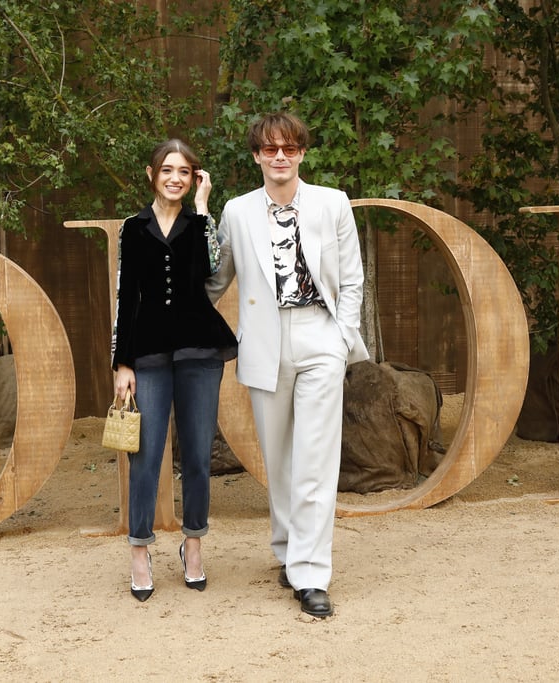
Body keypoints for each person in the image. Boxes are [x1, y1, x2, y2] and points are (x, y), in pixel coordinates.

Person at [206, 112, 368, 617]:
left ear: (302, 153)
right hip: (263, 339)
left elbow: (352, 278)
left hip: (320, 334)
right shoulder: (235, 211)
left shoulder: (332, 203)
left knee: (316, 459)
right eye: (271, 149)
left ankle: (311, 573)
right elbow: (215, 282)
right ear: (256, 155)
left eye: (290, 148)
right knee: (277, 459)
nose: (281, 157)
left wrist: (341, 339)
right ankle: (287, 549)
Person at [112, 139, 237, 602]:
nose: (175, 178)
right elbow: (127, 297)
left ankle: (194, 545)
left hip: (199, 350)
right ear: (152, 174)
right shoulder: (133, 227)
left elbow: (207, 268)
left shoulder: (197, 223)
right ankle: (140, 551)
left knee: (199, 456)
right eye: (168, 170)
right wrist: (122, 362)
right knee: (144, 456)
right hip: (147, 354)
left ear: (194, 178)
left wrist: (203, 209)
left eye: (185, 172)